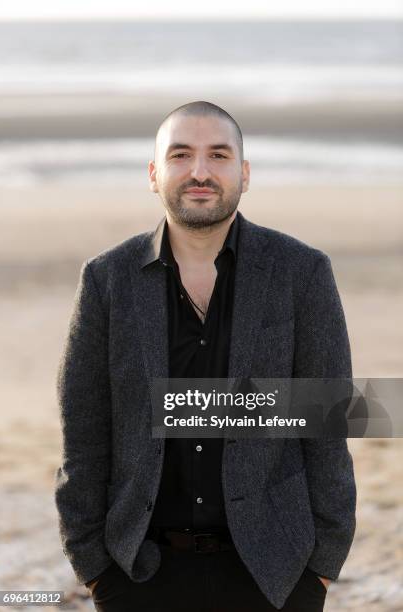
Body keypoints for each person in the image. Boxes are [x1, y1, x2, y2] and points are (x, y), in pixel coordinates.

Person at [54, 101, 356, 611]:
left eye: (218, 155)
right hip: (138, 576)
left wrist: (322, 567)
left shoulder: (302, 272)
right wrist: (94, 568)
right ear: (154, 174)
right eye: (180, 155)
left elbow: (327, 429)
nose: (199, 172)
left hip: (275, 575)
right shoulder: (106, 280)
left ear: (244, 172)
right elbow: (83, 434)